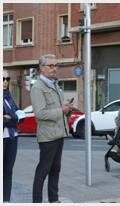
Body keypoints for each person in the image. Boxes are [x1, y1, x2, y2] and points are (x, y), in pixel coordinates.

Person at [31, 54, 73, 203]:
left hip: (59, 133)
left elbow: (59, 107)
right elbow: (40, 113)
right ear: (42, 68)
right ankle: (36, 202)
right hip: (47, 136)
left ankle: (53, 200)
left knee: (56, 169)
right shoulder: (38, 87)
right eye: (51, 66)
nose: (55, 69)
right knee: (43, 170)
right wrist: (61, 110)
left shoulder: (54, 84)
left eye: (56, 65)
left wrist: (67, 107)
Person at [3, 70, 19, 202]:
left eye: (7, 79)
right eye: (2, 79)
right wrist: (13, 118)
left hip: (12, 137)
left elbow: (20, 116)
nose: (5, 82)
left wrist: (12, 117)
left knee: (8, 170)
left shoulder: (9, 97)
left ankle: (6, 200)